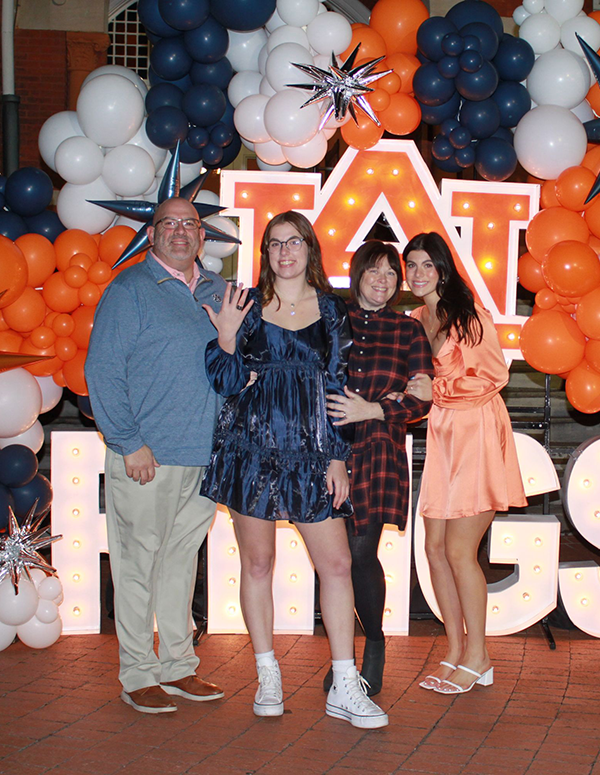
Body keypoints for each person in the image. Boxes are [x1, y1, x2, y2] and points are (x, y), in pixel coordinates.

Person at [200, 211, 388, 729]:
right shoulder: (245, 306)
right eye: (275, 243)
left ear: (310, 249)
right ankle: (267, 675)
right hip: (251, 448)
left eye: (295, 242)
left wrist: (338, 455)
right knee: (258, 563)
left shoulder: (331, 310)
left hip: (312, 453)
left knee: (337, 565)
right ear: (265, 253)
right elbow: (225, 381)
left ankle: (345, 684)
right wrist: (229, 336)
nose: (285, 252)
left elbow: (338, 384)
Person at [85, 198, 226, 714]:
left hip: (205, 457)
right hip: (148, 455)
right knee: (137, 564)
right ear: (152, 235)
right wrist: (128, 442)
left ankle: (179, 666)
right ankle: (139, 672)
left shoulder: (215, 292)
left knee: (180, 564)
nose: (180, 233)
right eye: (168, 224)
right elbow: (102, 371)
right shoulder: (130, 290)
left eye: (189, 224)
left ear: (202, 236)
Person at [402, 232, 527, 695]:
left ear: (442, 269)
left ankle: (481, 656)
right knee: (434, 548)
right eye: (410, 265)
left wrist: (432, 392)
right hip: (442, 437)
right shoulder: (415, 318)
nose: (417, 274)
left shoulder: (469, 316)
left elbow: (493, 377)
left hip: (475, 433)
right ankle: (456, 649)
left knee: (459, 550)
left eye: (426, 265)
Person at [325, 240, 433, 697]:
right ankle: (342, 655)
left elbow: (424, 397)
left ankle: (374, 644)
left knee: (361, 554)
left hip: (376, 449)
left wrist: (375, 410)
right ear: (357, 274)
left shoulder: (409, 332)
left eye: (392, 273)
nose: (383, 280)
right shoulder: (331, 319)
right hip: (325, 449)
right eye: (375, 270)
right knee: (334, 560)